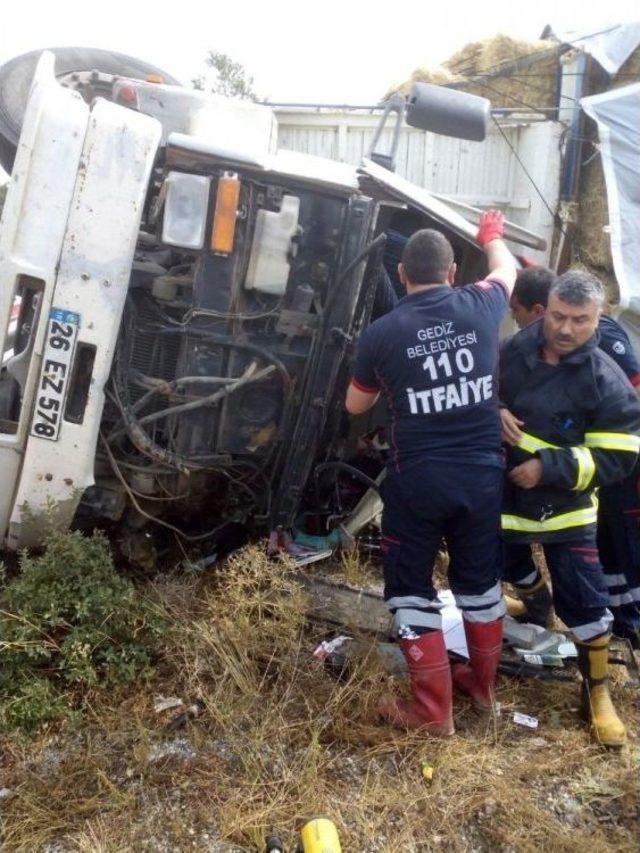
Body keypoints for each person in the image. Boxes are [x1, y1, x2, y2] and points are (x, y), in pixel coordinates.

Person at [345, 211, 517, 736]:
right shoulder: (482, 303)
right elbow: (506, 269)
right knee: (479, 583)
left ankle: (430, 711)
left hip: (419, 479)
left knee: (411, 587)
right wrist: (492, 236)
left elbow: (356, 405)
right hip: (482, 475)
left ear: (401, 274)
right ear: (450, 272)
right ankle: (481, 689)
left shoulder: (382, 332)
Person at [499, 270, 640, 746]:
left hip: (567, 510)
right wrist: (492, 409)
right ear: (545, 309)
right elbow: (485, 389)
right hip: (506, 498)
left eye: (579, 320)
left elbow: (618, 457)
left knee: (586, 600)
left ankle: (596, 692)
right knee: (502, 562)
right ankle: (536, 604)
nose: (565, 329)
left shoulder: (606, 379)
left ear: (596, 318)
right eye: (558, 316)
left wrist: (549, 469)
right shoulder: (515, 350)